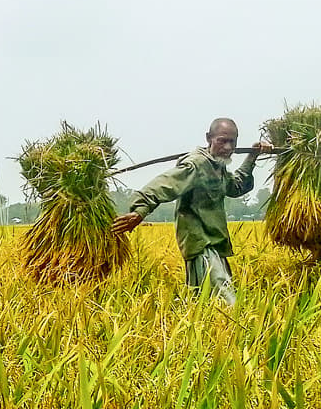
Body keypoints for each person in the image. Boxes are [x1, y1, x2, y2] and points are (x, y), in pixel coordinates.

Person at [111, 118, 270, 306]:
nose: (227, 147)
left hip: (214, 243)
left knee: (202, 302)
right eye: (222, 140)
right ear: (209, 138)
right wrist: (140, 211)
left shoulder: (217, 166)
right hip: (201, 242)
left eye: (232, 142)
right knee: (227, 302)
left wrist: (252, 157)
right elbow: (163, 185)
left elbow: (235, 187)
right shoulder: (196, 165)